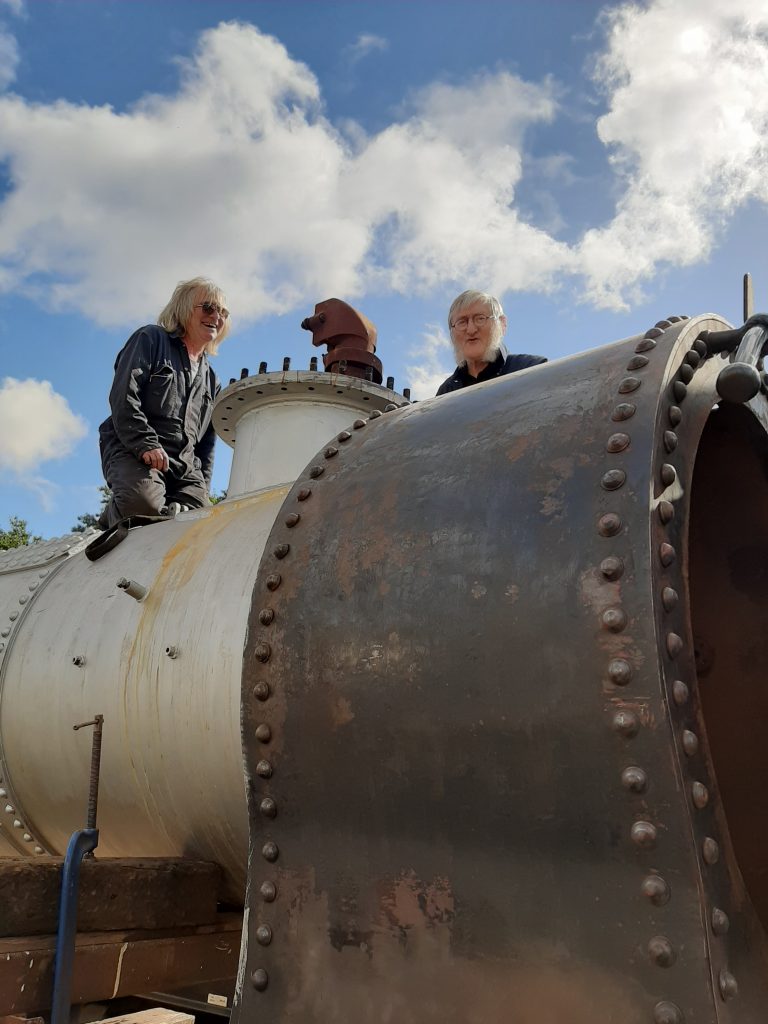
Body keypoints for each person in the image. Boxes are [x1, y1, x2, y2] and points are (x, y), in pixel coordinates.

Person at [98, 277, 230, 528]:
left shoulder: (212, 380)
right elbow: (124, 395)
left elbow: (207, 443)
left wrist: (201, 486)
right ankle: (113, 516)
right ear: (183, 309)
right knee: (142, 508)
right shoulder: (150, 339)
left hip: (185, 466)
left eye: (222, 312)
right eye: (208, 308)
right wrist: (144, 443)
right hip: (134, 449)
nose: (217, 317)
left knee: (205, 523)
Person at [436, 290, 546, 395]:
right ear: (452, 333)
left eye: (480, 319)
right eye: (462, 322)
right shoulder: (445, 392)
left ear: (501, 323)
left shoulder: (534, 370)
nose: (471, 330)